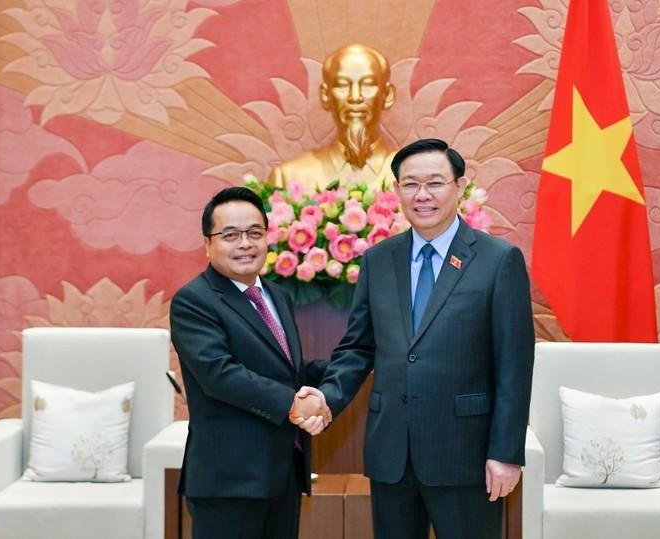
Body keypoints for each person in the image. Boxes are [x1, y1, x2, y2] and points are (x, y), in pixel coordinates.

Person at [295, 139, 535, 538]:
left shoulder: (497, 260)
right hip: (392, 453)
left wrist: (506, 453)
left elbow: (514, 364)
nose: (422, 195)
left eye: (435, 183)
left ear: (460, 187)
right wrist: (327, 397)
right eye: (410, 184)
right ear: (397, 191)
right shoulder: (378, 259)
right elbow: (358, 347)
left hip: (466, 455)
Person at [170, 186, 330, 539]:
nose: (245, 243)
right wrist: (292, 403)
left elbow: (288, 371)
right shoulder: (193, 301)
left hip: (282, 474)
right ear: (208, 244)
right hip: (229, 483)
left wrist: (348, 365)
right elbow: (219, 374)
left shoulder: (277, 295)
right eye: (230, 235)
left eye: (254, 233)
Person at [269, 43, 397, 192]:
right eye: (342, 85)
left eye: (367, 85)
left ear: (387, 95)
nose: (355, 97)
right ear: (325, 95)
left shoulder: (413, 178)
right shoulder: (288, 177)